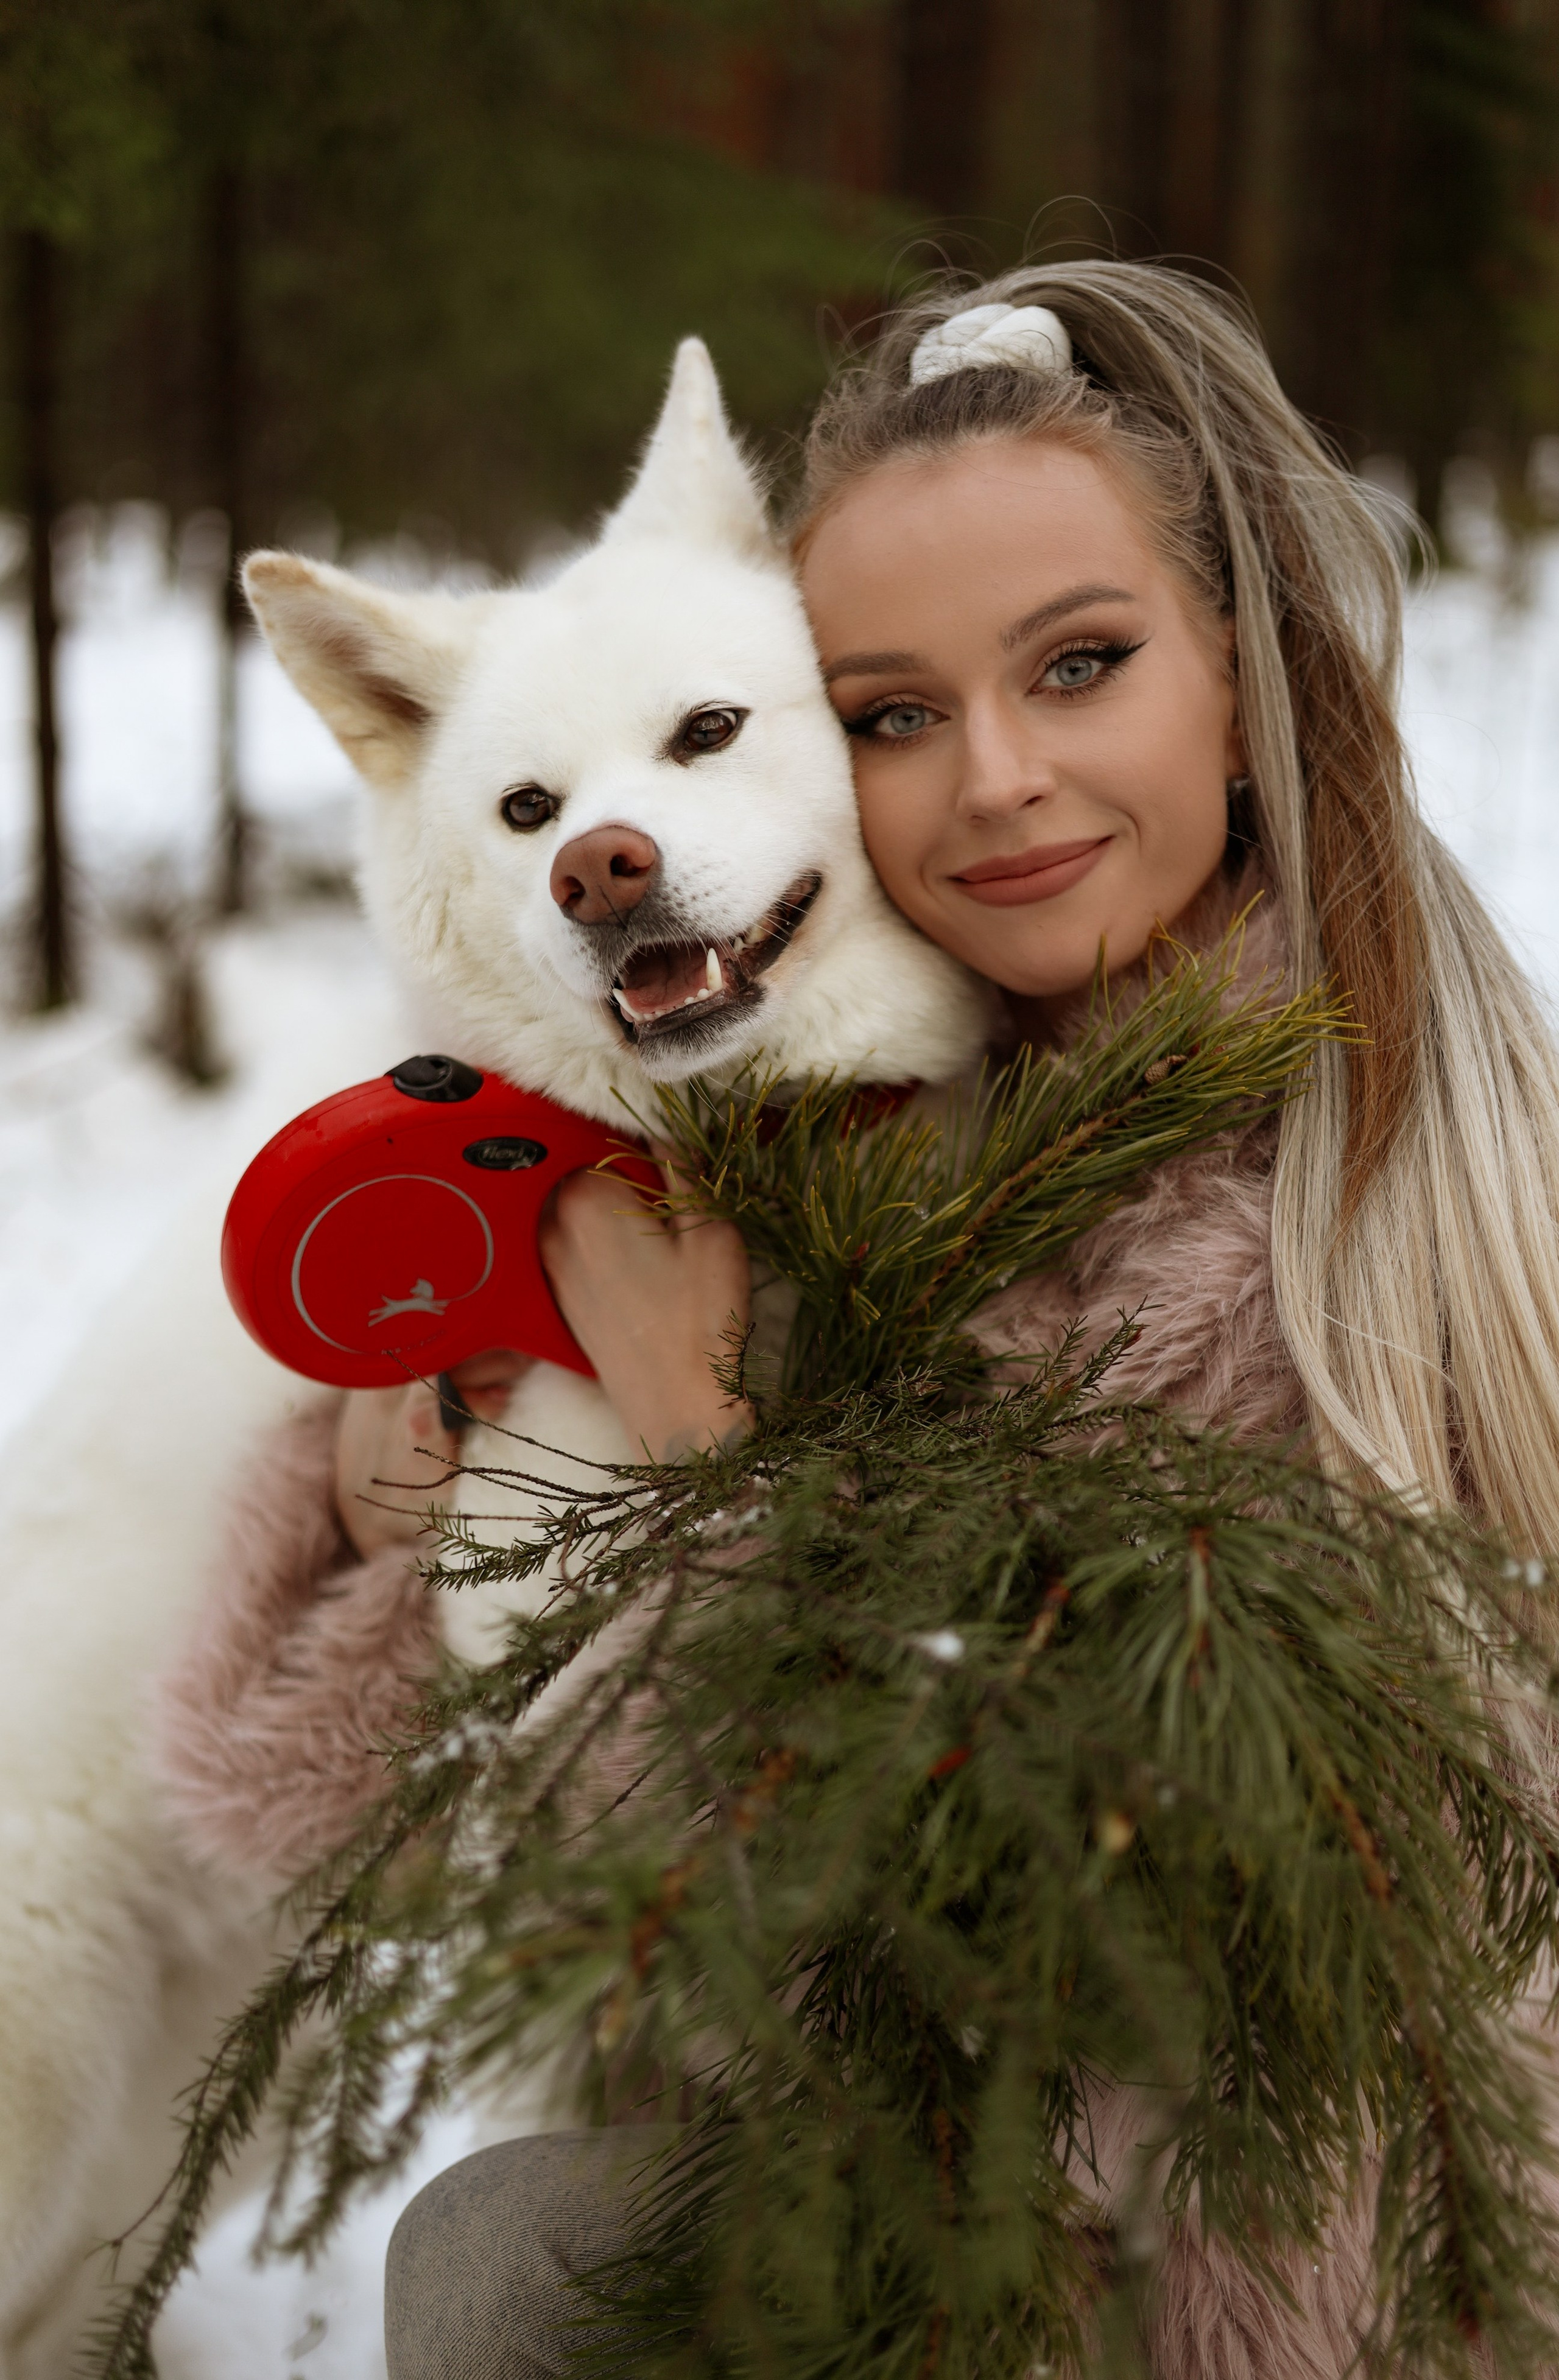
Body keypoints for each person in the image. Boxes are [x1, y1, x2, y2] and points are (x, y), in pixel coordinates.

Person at [158, 260, 1559, 2379]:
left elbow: (994, 2000)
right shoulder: (869, 1135)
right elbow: (340, 1808)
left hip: (1234, 2292)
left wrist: (701, 1467)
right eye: (894, 712)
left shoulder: (1359, 1243)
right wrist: (411, 1467)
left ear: (1244, 674)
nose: (991, 780)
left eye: (1080, 666)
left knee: (509, 2272)